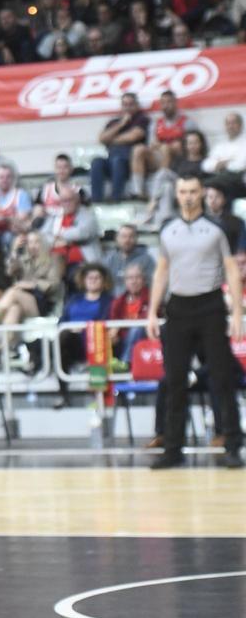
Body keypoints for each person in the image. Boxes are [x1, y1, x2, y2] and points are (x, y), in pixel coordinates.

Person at [147, 174, 243, 469]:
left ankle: (232, 445)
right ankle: (173, 449)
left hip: (210, 306)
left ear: (201, 193)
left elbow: (231, 270)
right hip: (178, 309)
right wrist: (152, 310)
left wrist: (237, 312)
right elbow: (161, 271)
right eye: (183, 191)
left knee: (222, 377)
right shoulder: (168, 230)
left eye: (193, 191)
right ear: (177, 195)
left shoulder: (217, 228)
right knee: (175, 380)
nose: (188, 196)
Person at [56, 263, 114, 408]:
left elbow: (106, 322)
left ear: (103, 281)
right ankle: (63, 394)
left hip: (94, 342)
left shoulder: (109, 301)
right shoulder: (74, 299)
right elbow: (62, 321)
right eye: (90, 277)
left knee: (64, 340)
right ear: (84, 280)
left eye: (97, 278)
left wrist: (82, 330)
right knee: (62, 339)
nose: (93, 280)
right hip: (71, 341)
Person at [90, 92, 150, 201]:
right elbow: (102, 138)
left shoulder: (141, 119)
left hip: (129, 163)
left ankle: (116, 198)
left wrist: (111, 139)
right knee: (96, 162)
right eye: (125, 104)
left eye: (130, 104)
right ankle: (96, 200)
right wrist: (121, 124)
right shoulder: (114, 122)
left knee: (118, 161)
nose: (127, 108)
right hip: (111, 160)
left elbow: (133, 136)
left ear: (136, 105)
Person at [102, 224, 156, 295]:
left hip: (138, 301)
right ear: (117, 239)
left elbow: (153, 284)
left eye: (131, 236)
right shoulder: (109, 259)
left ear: (136, 239)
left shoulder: (146, 260)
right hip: (113, 301)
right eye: (123, 236)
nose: (127, 240)